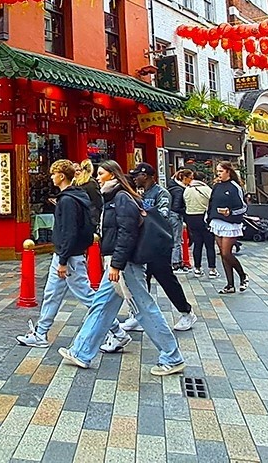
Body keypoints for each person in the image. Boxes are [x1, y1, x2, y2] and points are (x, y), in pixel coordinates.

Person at [57, 161, 185, 376]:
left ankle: (172, 357)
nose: (98, 177)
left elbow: (127, 233)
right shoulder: (113, 197)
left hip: (125, 264)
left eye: (101, 173)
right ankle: (81, 352)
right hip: (118, 262)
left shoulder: (121, 198)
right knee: (102, 305)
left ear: (112, 175)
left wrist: (116, 264)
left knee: (144, 308)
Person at [17, 160, 96, 347]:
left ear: (61, 175)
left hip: (68, 257)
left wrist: (63, 259)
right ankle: (41, 332)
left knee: (86, 295)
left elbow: (69, 231)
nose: (51, 177)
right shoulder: (76, 196)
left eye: (54, 174)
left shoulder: (68, 200)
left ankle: (115, 330)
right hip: (65, 254)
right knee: (51, 293)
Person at [123, 163, 196, 333]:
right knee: (142, 281)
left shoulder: (161, 193)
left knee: (166, 279)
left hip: (159, 243)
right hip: (143, 242)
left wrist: (142, 214)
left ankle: (186, 312)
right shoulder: (139, 192)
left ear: (146, 175)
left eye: (137, 175)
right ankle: (138, 316)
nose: (135, 178)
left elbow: (162, 215)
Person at [207, 162, 249, 294]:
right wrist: (208, 218)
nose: (218, 173)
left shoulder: (235, 187)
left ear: (228, 171)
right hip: (217, 221)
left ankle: (243, 276)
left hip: (230, 223)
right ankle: (230, 284)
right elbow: (211, 203)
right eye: (217, 171)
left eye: (220, 171)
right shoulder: (216, 186)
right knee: (223, 255)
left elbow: (243, 207)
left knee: (226, 253)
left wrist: (229, 212)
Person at [181, 169, 215, 277]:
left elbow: (185, 202)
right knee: (209, 245)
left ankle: (197, 268)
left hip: (191, 217)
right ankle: (212, 269)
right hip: (204, 217)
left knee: (197, 244)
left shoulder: (187, 190)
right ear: (203, 179)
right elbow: (212, 202)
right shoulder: (207, 189)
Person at [166, 171, 187, 270]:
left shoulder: (171, 187)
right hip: (176, 216)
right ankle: (175, 262)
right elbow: (176, 206)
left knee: (174, 239)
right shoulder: (179, 190)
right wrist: (185, 210)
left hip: (169, 215)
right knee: (177, 240)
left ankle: (177, 260)